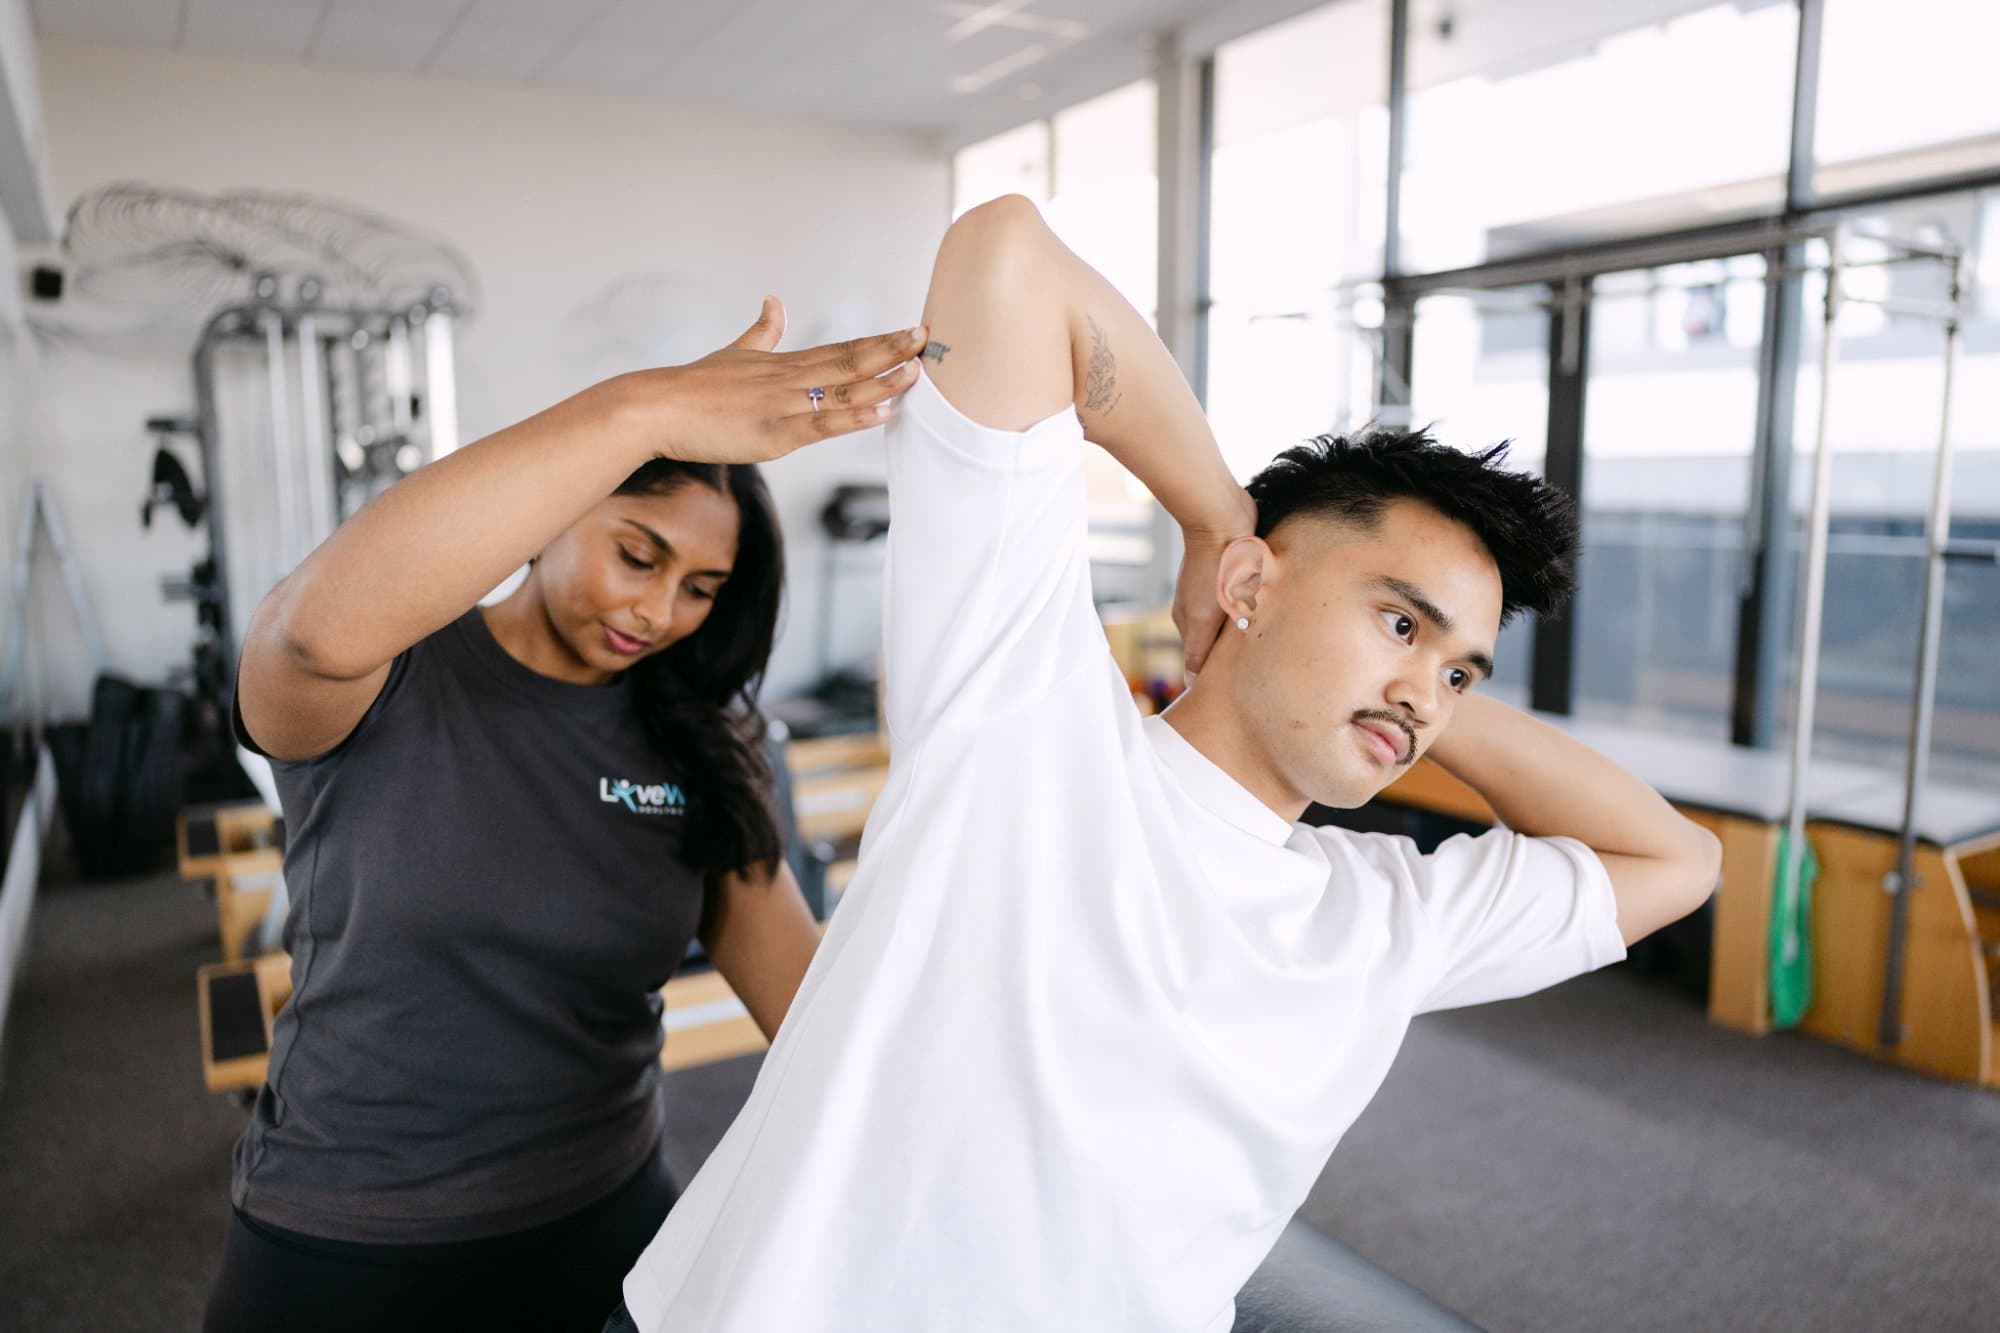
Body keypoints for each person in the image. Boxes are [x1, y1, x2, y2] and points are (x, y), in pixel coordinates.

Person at [608, 196, 1722, 1333]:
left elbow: (1676, 860)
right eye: (1397, 621)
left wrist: (1416, 684)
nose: (1425, 692)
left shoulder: (1387, 917)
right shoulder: (1023, 723)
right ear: (1247, 587)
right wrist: (1209, 520)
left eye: (1462, 673)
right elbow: (1007, 255)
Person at [202, 305, 931, 1333]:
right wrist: (645, 407)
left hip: (606, 1223)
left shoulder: (700, 745)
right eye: (637, 555)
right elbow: (303, 636)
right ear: (551, 512)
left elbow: (809, 1009)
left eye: (700, 590)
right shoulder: (386, 672)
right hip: (350, 1233)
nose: (658, 611)